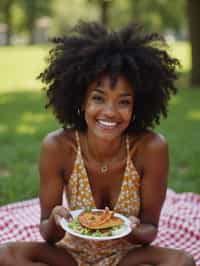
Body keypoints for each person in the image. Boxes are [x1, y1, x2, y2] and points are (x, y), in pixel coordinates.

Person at [0, 21, 196, 266]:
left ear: (137, 106)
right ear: (81, 100)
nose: (110, 112)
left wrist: (133, 229)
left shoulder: (151, 148)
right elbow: (48, 235)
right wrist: (55, 220)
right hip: (71, 256)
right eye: (98, 98)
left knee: (183, 261)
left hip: (127, 257)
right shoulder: (58, 147)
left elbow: (150, 229)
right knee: (4, 254)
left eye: (123, 102)